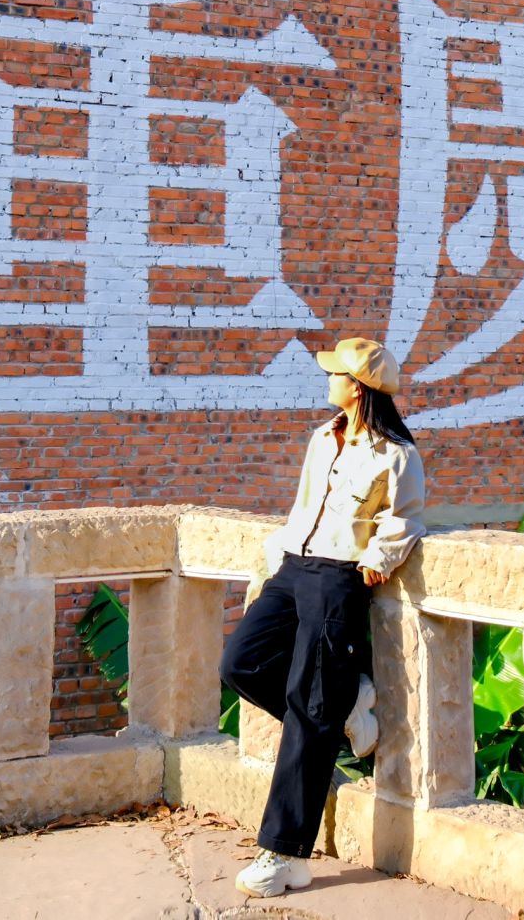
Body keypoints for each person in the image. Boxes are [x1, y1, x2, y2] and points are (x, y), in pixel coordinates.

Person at [220, 335, 427, 899]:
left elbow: (406, 519)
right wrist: (276, 559)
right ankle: (352, 700)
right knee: (241, 664)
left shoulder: (396, 454)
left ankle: (283, 855)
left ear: (357, 388)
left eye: (336, 374)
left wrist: (376, 563)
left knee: (310, 711)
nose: (328, 380)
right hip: (294, 568)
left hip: (339, 579)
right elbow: (302, 505)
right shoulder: (323, 438)